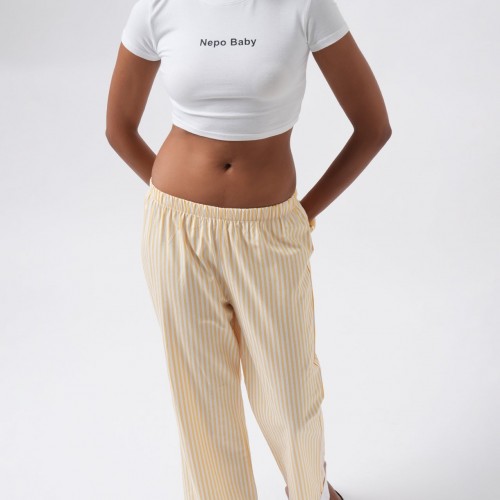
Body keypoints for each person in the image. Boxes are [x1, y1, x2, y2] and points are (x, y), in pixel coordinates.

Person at [106, 0, 391, 498]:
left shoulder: (305, 6)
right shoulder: (159, 7)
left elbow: (373, 127)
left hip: (269, 230)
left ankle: (310, 490)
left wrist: (302, 214)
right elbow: (118, 127)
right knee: (202, 398)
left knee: (291, 391)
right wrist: (175, 198)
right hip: (176, 231)